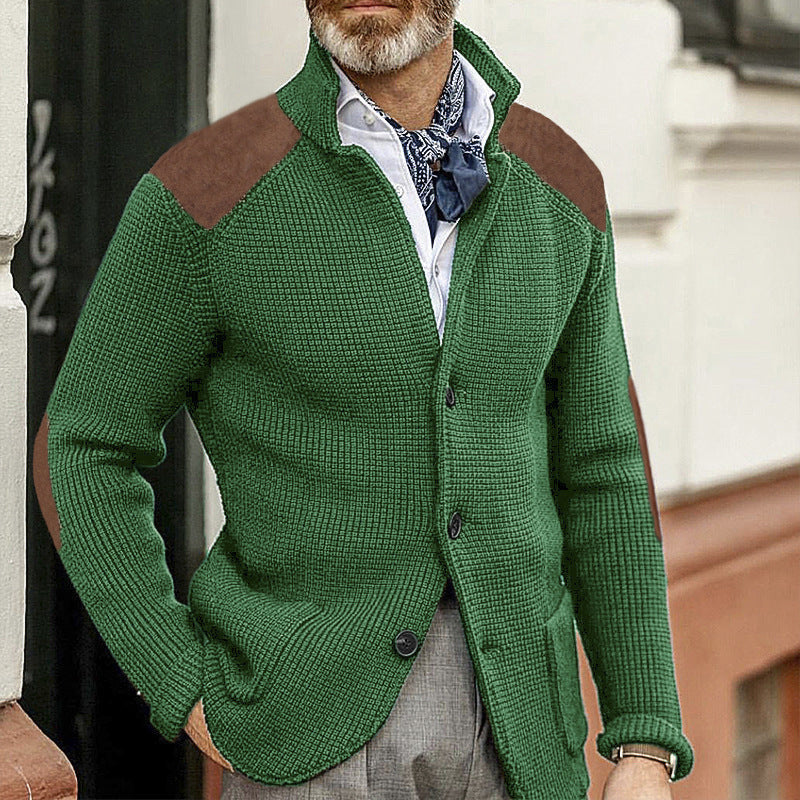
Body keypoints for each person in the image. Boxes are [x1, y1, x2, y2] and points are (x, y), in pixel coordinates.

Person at [32, 0, 695, 798]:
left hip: (526, 735)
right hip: (303, 735)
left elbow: (602, 463)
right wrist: (177, 679)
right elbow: (86, 443)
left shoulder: (561, 181)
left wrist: (645, 734)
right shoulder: (208, 188)